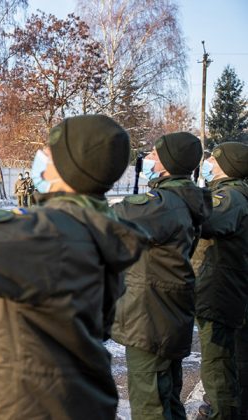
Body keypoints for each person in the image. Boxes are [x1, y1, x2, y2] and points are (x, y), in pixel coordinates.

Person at [0, 115, 149, 419]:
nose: (42, 156)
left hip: (28, 403)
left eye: (50, 150)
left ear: (71, 167)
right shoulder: (101, 227)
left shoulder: (50, 232)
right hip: (79, 395)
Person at [111, 132, 212, 420]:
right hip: (167, 314)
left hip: (151, 319)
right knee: (166, 397)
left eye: (155, 155)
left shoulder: (164, 203)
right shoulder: (183, 197)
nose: (148, 159)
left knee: (150, 405)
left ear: (169, 162)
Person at [191, 142, 248, 419]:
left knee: (217, 367)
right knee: (230, 362)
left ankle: (221, 413)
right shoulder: (234, 194)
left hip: (218, 292)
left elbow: (208, 221)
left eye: (213, 158)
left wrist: (182, 201)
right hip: (225, 290)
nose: (208, 162)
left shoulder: (230, 196)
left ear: (227, 166)